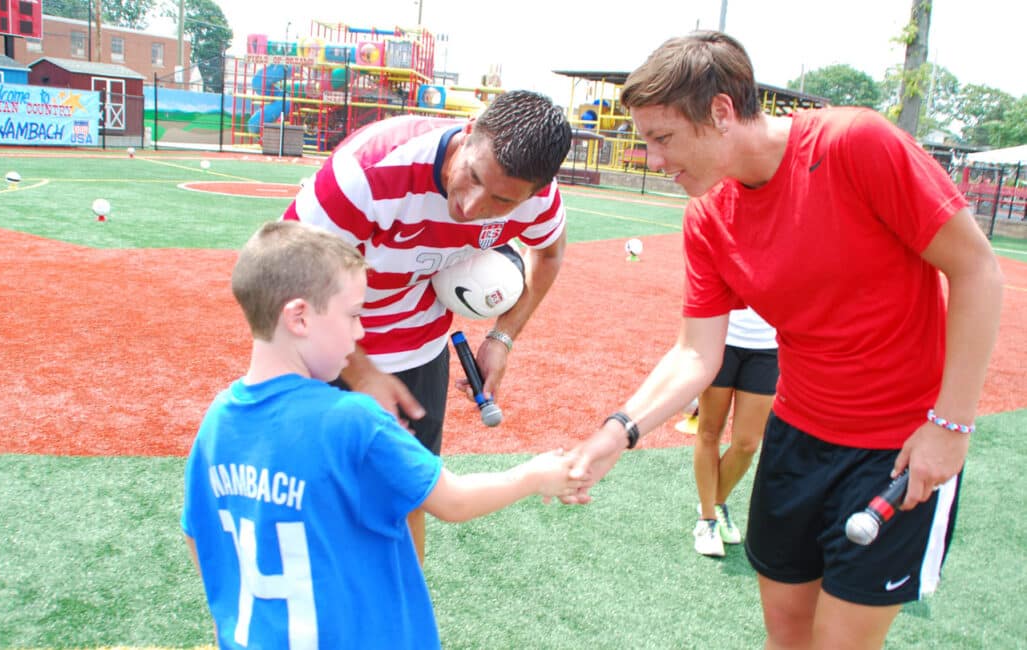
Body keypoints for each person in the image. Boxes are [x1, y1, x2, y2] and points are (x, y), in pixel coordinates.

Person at [566, 31, 1004, 649]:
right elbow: (696, 353)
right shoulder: (707, 218)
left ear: (720, 112)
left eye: (662, 139)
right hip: (796, 441)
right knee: (788, 637)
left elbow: (977, 269)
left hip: (896, 449)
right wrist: (618, 432)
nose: (655, 161)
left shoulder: (854, 143)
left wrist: (951, 425)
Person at [181, 220, 579, 649]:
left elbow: (198, 538)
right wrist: (536, 475)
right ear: (299, 317)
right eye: (354, 315)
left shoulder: (218, 419)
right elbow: (454, 500)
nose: (360, 333)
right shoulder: (352, 419)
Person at [281, 90, 572, 563]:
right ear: (470, 129)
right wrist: (363, 372)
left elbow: (551, 252)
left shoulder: (535, 200)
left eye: (500, 200)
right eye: (473, 177)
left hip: (418, 348)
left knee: (407, 494)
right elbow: (290, 271)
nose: (472, 206)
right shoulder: (369, 171)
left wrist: (502, 337)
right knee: (312, 496)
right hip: (320, 346)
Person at [690, 306, 777, 558]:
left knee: (747, 443)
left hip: (768, 346)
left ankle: (715, 502)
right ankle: (707, 519)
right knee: (708, 432)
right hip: (720, 338)